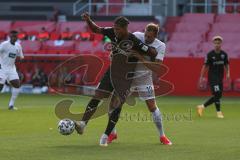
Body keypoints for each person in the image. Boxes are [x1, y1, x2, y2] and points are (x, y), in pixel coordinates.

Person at [74, 12, 157, 146]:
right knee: (97, 96)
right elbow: (96, 29)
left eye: (118, 29)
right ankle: (83, 124)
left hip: (125, 78)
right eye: (115, 28)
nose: (116, 31)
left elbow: (153, 52)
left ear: (125, 28)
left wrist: (140, 55)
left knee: (116, 106)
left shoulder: (134, 41)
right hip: (111, 72)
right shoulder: (112, 32)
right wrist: (88, 20)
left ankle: (106, 136)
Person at [107, 23, 172, 145]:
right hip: (127, 76)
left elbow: (157, 67)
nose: (146, 39)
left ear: (155, 36)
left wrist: (141, 58)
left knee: (152, 107)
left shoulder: (160, 46)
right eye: (146, 35)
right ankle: (112, 133)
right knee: (113, 103)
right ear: (144, 32)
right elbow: (120, 45)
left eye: (150, 37)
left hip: (144, 77)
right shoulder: (136, 36)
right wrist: (114, 53)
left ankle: (162, 136)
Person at [197, 36, 230, 118]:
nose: (217, 44)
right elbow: (205, 66)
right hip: (212, 78)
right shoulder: (210, 55)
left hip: (220, 77)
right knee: (217, 93)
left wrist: (228, 73)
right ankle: (219, 112)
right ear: (213, 44)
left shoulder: (224, 54)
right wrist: (201, 77)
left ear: (221, 44)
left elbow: (226, 65)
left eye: (218, 43)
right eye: (215, 43)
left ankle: (202, 106)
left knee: (218, 96)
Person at [0, 30, 24, 110]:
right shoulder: (4, 45)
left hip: (11, 69)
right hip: (2, 68)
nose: (15, 38)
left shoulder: (18, 46)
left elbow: (21, 56)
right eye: (13, 36)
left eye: (16, 36)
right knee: (0, 87)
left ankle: (11, 105)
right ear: (10, 36)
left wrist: (21, 58)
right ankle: (6, 82)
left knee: (17, 85)